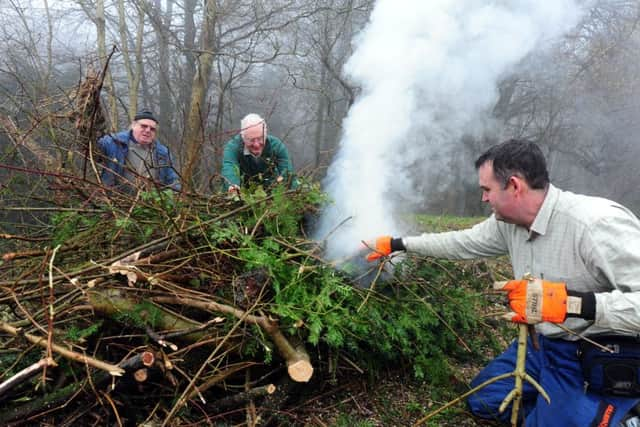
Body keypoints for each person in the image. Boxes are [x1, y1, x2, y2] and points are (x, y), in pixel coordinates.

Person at [366, 139, 640, 426]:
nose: (484, 198)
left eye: (487, 189)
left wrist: (574, 304)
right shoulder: (508, 223)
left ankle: (622, 412)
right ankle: (559, 411)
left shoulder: (596, 224)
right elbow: (463, 242)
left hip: (596, 352)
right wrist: (397, 243)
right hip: (543, 345)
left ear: (514, 185)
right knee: (484, 402)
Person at [97, 109, 181, 191]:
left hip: (149, 203)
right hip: (115, 200)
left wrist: (177, 197)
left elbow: (172, 180)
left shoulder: (162, 152)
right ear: (133, 125)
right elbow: (93, 150)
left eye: (152, 129)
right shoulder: (113, 142)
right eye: (144, 126)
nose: (148, 130)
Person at [221, 113, 296, 193]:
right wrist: (233, 187)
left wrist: (294, 193)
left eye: (260, 138)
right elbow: (229, 167)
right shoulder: (233, 147)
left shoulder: (276, 146)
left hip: (270, 193)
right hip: (242, 194)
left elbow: (288, 173)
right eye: (251, 140)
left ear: (265, 135)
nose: (256, 145)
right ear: (243, 138)